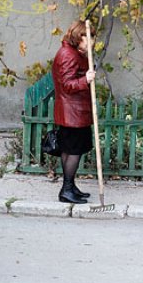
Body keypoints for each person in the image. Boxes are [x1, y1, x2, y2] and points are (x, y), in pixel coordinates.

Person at [52, 20, 96, 204]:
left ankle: (70, 186)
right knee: (73, 151)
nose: (93, 41)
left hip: (75, 111)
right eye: (89, 37)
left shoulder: (76, 53)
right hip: (72, 113)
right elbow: (67, 85)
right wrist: (85, 79)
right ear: (79, 37)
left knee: (71, 150)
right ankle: (66, 190)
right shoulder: (68, 55)